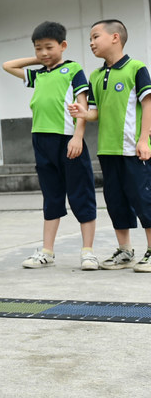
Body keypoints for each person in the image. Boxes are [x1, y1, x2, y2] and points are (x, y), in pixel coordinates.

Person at [2, 21, 98, 269]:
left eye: (49, 47)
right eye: (38, 48)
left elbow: (82, 106)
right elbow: (7, 66)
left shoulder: (73, 70)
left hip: (68, 140)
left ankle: (88, 251)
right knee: (51, 196)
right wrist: (38, 60)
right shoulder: (39, 74)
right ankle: (47, 251)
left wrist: (78, 137)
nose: (43, 53)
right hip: (41, 140)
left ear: (63, 46)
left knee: (81, 194)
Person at [68, 19, 151, 272]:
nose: (91, 43)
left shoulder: (136, 68)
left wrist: (144, 139)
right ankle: (125, 251)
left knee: (144, 199)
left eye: (95, 37)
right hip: (107, 150)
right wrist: (82, 113)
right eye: (90, 40)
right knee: (115, 200)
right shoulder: (95, 75)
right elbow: (95, 113)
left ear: (115, 37)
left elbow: (148, 104)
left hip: (132, 149)